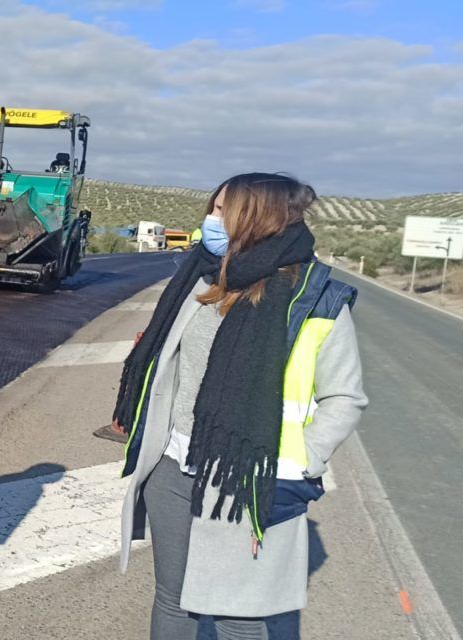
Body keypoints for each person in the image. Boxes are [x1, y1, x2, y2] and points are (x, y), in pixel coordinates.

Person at [113, 173, 367, 639]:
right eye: (212, 209)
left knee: (240, 614)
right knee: (173, 599)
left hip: (244, 474)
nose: (208, 220)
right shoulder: (201, 274)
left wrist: (303, 462)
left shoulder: (313, 298)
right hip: (171, 467)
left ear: (255, 220)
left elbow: (345, 398)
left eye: (219, 211)